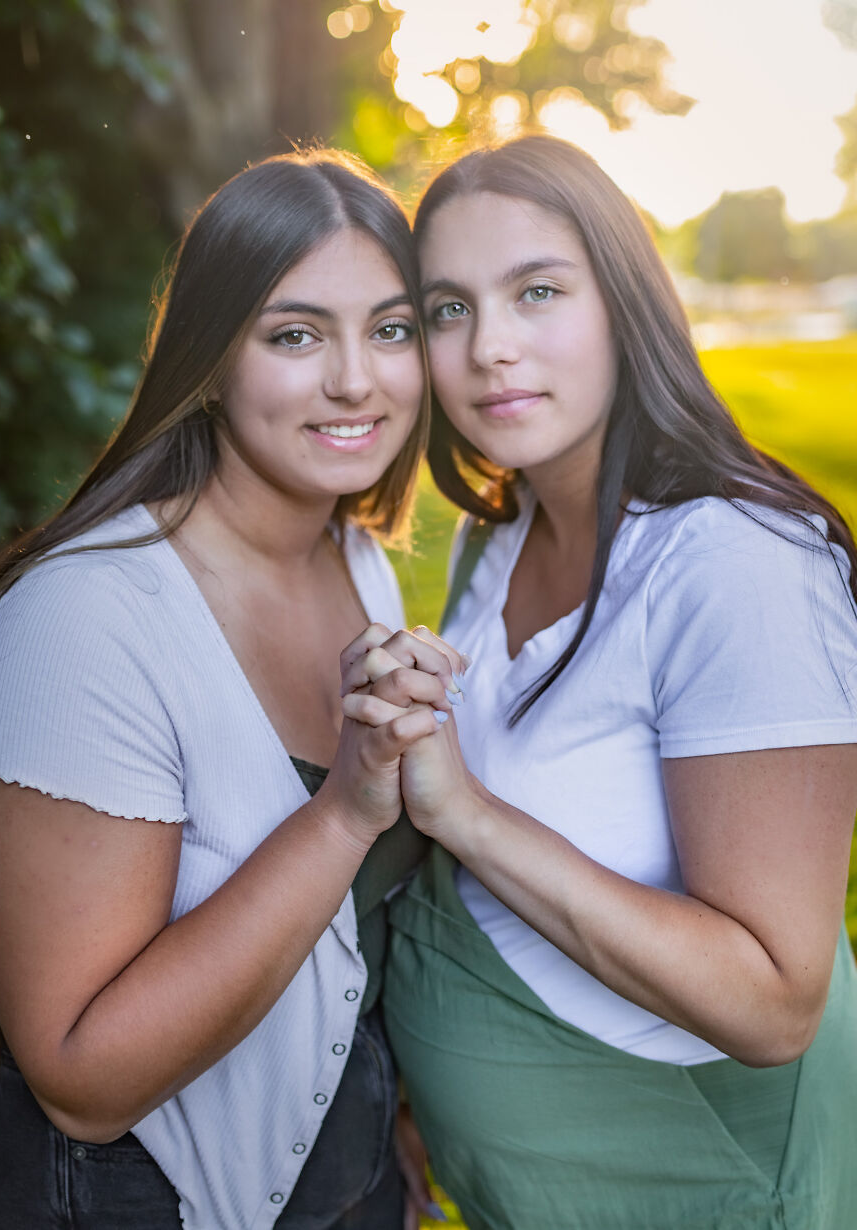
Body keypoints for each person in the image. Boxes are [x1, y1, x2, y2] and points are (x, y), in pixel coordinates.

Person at [341, 135, 857, 1230]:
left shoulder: (737, 566)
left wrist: (465, 815)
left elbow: (771, 1005)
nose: (491, 348)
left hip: (701, 1188)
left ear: (623, 300)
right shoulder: (504, 535)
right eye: (447, 310)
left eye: (537, 291)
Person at [0, 148, 459, 1230]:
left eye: (389, 329)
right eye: (295, 335)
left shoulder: (355, 560)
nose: (356, 379)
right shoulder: (83, 619)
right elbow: (80, 1080)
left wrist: (397, 1108)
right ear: (207, 361)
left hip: (343, 1179)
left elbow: (349, 944)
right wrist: (343, 810)